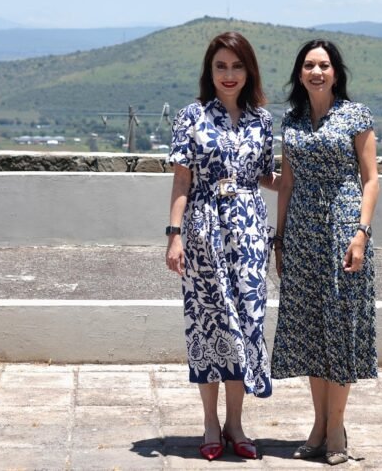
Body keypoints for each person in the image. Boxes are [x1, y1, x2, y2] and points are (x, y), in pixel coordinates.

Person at [165, 31, 278, 461]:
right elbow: (182, 181)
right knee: (208, 323)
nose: (229, 75)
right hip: (203, 229)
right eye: (221, 66)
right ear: (209, 71)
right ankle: (211, 423)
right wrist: (174, 235)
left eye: (236, 66)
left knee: (247, 321)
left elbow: (266, 176)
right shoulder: (191, 116)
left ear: (249, 71)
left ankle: (236, 423)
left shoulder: (262, 120)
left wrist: (302, 180)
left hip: (248, 231)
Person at [271, 39, 380, 466]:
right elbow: (286, 183)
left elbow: (371, 179)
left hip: (344, 229)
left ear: (336, 73)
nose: (316, 72)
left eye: (324, 65)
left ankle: (336, 426)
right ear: (299, 74)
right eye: (309, 65)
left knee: (339, 327)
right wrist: (279, 240)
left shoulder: (356, 115)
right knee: (311, 330)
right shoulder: (292, 120)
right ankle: (318, 426)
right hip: (301, 232)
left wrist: (361, 234)